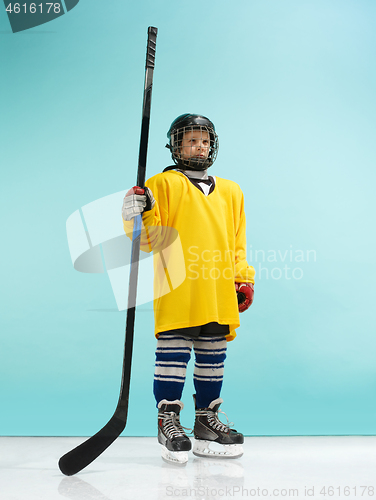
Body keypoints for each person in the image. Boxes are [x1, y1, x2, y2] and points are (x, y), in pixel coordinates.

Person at [122, 114, 255, 464]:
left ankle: (205, 422)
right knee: (174, 353)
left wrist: (244, 277)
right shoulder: (162, 185)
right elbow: (149, 240)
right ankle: (168, 421)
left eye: (205, 140)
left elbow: (238, 242)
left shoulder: (231, 190)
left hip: (217, 287)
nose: (200, 146)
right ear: (176, 145)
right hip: (177, 285)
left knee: (213, 355)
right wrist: (136, 214)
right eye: (191, 140)